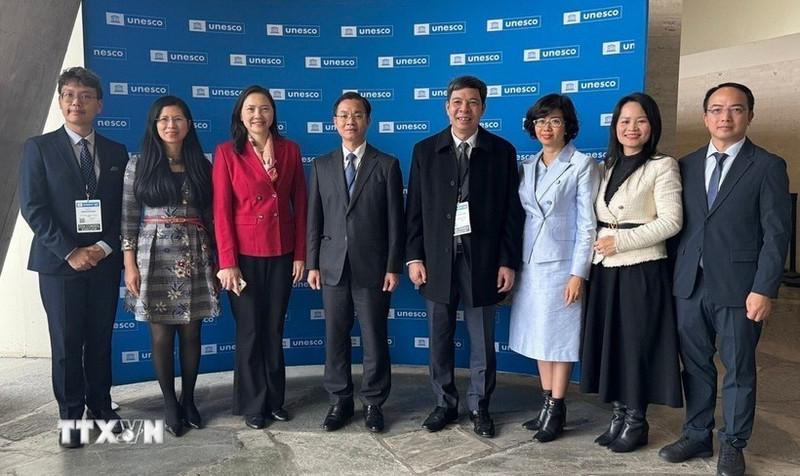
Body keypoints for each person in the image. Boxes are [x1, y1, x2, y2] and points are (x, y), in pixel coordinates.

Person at [659, 83, 791, 476]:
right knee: (695, 366)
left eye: (735, 109)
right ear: (705, 117)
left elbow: (776, 234)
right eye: (716, 110)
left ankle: (733, 444)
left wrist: (764, 288)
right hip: (688, 286)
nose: (725, 117)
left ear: (750, 115)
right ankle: (698, 434)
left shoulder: (767, 165)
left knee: (738, 369)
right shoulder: (684, 164)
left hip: (740, 289)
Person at [405, 75, 524, 438]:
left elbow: (511, 213)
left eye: (472, 102)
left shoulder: (501, 151)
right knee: (439, 336)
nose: (464, 109)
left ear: (483, 108)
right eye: (457, 101)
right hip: (437, 260)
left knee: (482, 341)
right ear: (447, 106)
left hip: (484, 262)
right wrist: (414, 258)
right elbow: (414, 211)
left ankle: (480, 407)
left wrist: (507, 261)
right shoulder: (425, 151)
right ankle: (444, 404)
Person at [18, 67, 128, 448]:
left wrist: (103, 248)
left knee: (99, 339)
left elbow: (122, 210)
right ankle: (70, 418)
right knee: (66, 343)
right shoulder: (39, 147)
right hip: (58, 264)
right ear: (60, 101)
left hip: (103, 262)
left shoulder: (117, 151)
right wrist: (70, 251)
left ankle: (101, 407)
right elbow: (33, 208)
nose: (75, 102)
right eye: (68, 95)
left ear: (99, 104)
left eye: (84, 95)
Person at [579, 92, 683, 453]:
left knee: (636, 346)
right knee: (613, 346)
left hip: (641, 270)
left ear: (651, 125)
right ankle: (619, 415)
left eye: (640, 120)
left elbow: (671, 221)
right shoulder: (604, 167)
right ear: (615, 126)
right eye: (624, 121)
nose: (631, 128)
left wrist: (620, 243)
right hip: (606, 272)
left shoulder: (662, 165)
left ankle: (637, 421)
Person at [306, 92, 405, 433]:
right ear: (335, 122)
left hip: (374, 268)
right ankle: (339, 401)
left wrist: (394, 266)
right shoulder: (320, 165)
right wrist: (312, 264)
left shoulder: (387, 164)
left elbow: (396, 221)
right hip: (332, 266)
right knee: (335, 337)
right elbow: (314, 219)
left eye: (358, 115)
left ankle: (374, 403)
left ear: (368, 120)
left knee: (375, 338)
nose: (351, 121)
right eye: (344, 115)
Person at [121, 96, 219, 437]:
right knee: (161, 332)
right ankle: (169, 402)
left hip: (194, 253)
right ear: (155, 125)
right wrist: (129, 264)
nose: (171, 125)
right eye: (164, 119)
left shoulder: (202, 165)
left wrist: (218, 262)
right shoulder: (138, 164)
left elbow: (211, 217)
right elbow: (129, 217)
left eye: (178, 119)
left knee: (192, 331)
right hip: (153, 256)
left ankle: (189, 399)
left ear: (188, 125)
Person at [213, 85, 307, 430]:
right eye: (251, 109)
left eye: (264, 108)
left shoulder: (290, 150)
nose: (258, 115)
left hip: (282, 253)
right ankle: (253, 403)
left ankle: (274, 400)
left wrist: (300, 255)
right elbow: (221, 212)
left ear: (273, 114)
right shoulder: (226, 153)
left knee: (273, 329)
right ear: (241, 114)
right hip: (244, 257)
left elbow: (302, 204)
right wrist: (227, 261)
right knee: (251, 330)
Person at [509, 94, 599, 443]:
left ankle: (558, 409)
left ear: (568, 126)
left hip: (562, 264)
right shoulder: (527, 165)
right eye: (541, 121)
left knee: (559, 340)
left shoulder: (582, 164)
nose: (547, 127)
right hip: (530, 263)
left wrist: (579, 273)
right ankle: (546, 404)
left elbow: (587, 224)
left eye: (555, 121)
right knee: (539, 338)